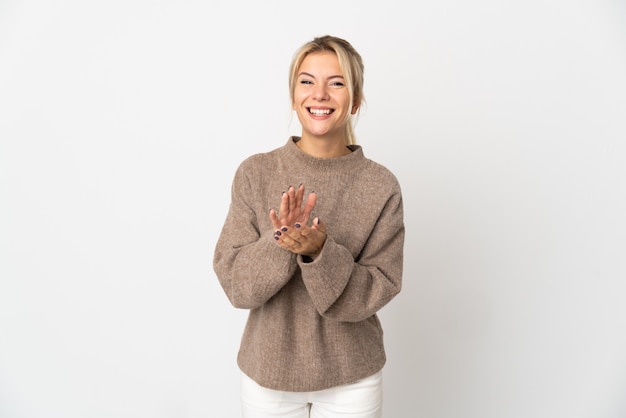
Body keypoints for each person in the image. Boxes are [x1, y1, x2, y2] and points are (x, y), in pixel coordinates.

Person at [213, 35, 405, 418]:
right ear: (293, 94)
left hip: (352, 377)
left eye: (336, 83)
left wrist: (320, 252)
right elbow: (236, 285)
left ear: (355, 99)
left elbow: (379, 287)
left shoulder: (380, 185)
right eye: (307, 81)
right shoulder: (256, 172)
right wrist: (282, 241)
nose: (320, 94)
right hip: (268, 376)